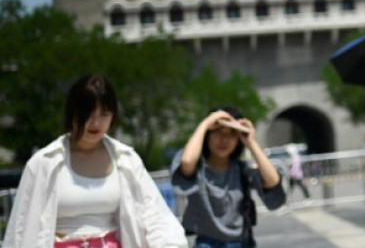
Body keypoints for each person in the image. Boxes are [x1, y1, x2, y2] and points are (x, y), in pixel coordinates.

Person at [1, 74, 187, 248]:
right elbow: (22, 227)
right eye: (88, 114)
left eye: (104, 114)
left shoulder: (126, 159)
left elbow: (153, 215)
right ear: (72, 113)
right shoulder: (44, 162)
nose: (96, 122)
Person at [172, 107, 286, 248]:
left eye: (232, 134)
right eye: (218, 132)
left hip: (241, 242)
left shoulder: (242, 169)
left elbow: (272, 180)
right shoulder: (198, 169)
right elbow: (187, 162)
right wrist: (206, 123)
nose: (224, 139)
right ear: (208, 135)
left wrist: (251, 142)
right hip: (206, 243)